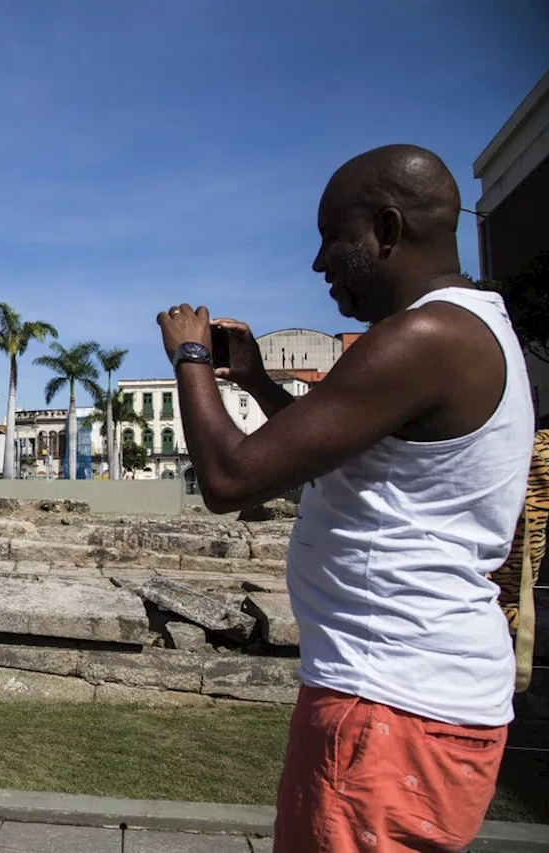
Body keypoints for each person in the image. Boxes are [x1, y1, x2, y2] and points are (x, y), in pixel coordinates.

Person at [156, 144, 533, 853]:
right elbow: (336, 461)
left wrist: (191, 355)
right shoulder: (469, 329)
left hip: (386, 707)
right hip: (414, 697)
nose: (318, 263)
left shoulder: (423, 337)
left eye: (333, 237)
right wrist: (261, 386)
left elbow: (230, 478)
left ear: (387, 231)